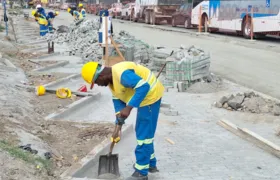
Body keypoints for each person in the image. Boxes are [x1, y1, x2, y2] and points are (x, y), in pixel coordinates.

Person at [81, 61, 164, 180]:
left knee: (143, 135)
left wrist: (129, 108)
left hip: (150, 97)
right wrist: (119, 119)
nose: (99, 85)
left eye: (97, 82)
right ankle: (151, 164)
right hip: (145, 97)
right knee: (144, 132)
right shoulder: (111, 81)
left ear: (101, 76)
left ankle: (141, 172)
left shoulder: (122, 74)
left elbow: (144, 87)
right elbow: (117, 98)